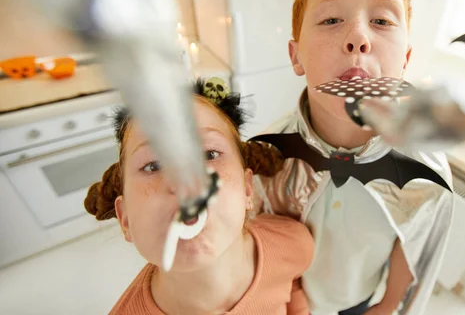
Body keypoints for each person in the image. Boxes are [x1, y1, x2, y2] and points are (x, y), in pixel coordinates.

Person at [250, 0, 454, 315]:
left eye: (381, 21)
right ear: (296, 56)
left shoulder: (425, 169)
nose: (358, 38)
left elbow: (414, 244)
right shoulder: (267, 156)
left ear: (405, 59)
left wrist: (390, 304)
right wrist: (294, 301)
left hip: (363, 301)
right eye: (330, 20)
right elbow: (265, 241)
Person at [84, 79, 314, 315]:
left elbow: (293, 286)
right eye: (153, 165)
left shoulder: (292, 244)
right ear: (125, 219)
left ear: (247, 189)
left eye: (209, 154)